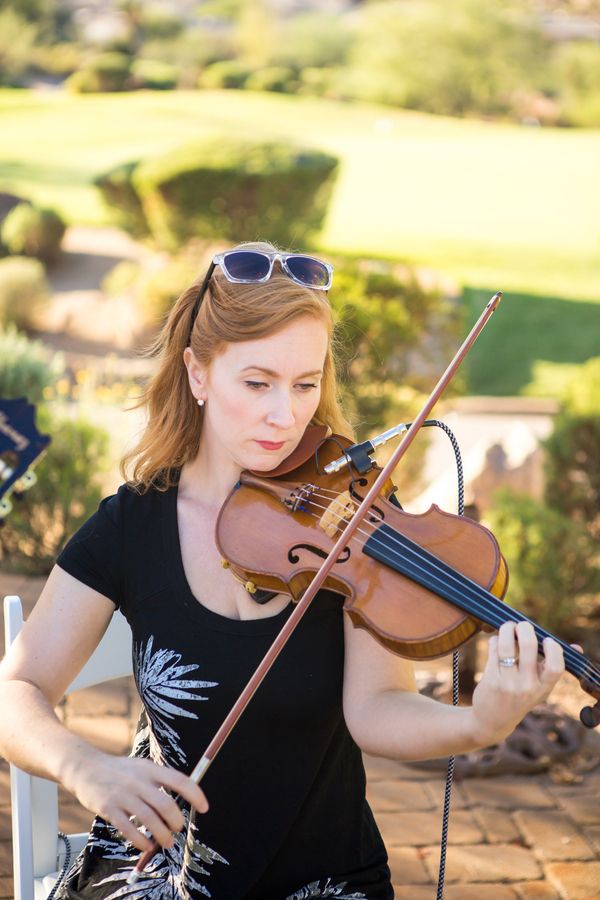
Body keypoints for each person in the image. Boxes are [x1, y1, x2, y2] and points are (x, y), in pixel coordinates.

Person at [0, 242, 567, 900]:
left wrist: (480, 724)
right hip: (161, 869)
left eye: (305, 385)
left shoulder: (357, 515)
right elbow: (16, 688)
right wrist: (85, 766)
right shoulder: (133, 526)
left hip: (324, 878)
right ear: (198, 373)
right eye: (257, 383)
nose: (286, 414)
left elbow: (376, 708)